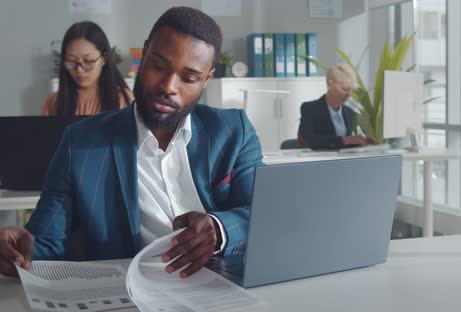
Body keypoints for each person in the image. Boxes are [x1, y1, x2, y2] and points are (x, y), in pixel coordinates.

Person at [0, 7, 263, 279]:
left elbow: (261, 213)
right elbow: (42, 243)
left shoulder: (234, 131)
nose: (169, 86)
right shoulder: (79, 144)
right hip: (129, 294)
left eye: (188, 78)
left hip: (225, 287)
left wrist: (219, 230)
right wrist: (16, 248)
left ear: (206, 79)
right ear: (145, 54)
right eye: (159, 66)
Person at [41, 21, 133, 116]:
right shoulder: (53, 102)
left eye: (88, 61)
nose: (79, 70)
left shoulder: (123, 99)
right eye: (71, 61)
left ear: (104, 59)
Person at [298, 63, 372, 150]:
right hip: (319, 161)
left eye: (351, 90)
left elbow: (344, 147)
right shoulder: (310, 109)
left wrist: (361, 142)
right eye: (345, 89)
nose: (349, 94)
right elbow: (311, 141)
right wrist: (345, 140)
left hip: (342, 161)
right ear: (329, 84)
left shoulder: (349, 113)